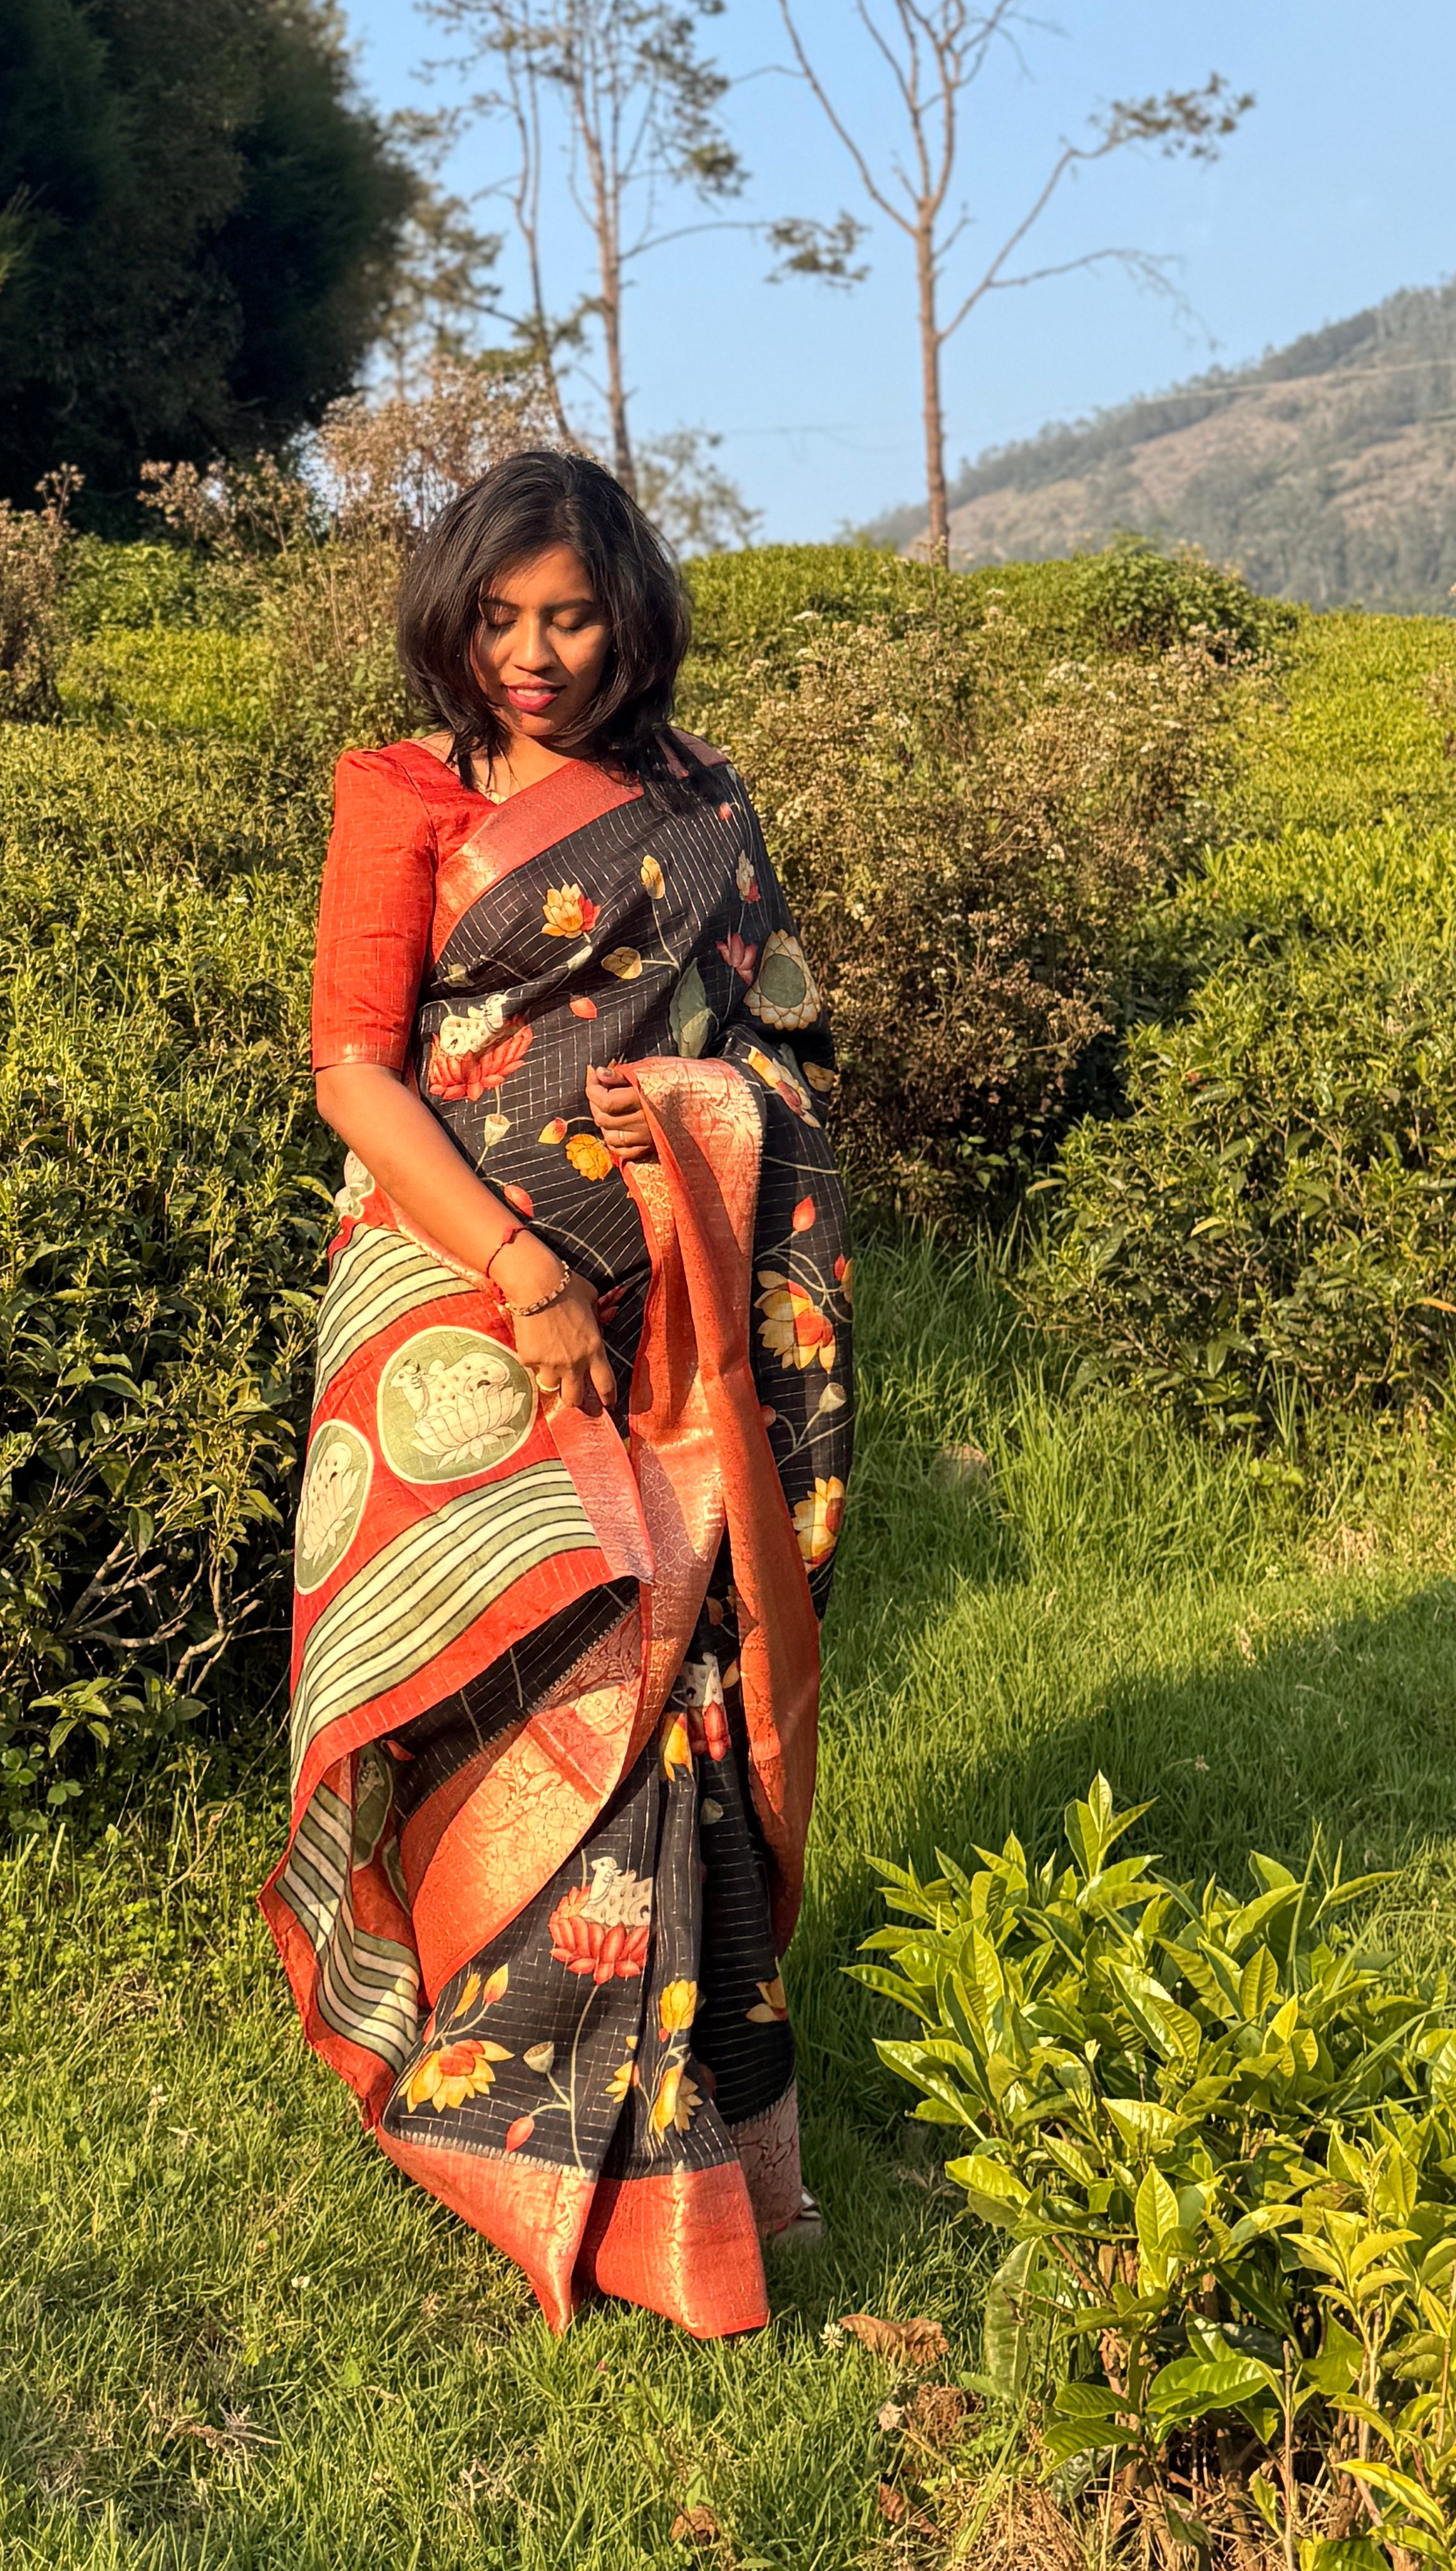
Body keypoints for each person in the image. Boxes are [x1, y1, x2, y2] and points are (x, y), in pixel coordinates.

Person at [262, 449, 852, 2337]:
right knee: (513, 1659)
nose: (533, 655)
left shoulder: (696, 809)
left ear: (631, 619)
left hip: (676, 1296)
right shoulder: (403, 795)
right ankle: (487, 2093)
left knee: (674, 1682)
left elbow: (784, 1043)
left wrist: (695, 1117)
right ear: (455, 614)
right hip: (451, 1292)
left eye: (571, 617)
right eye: (501, 617)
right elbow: (357, 1075)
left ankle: (695, 2150)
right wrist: (523, 1269)